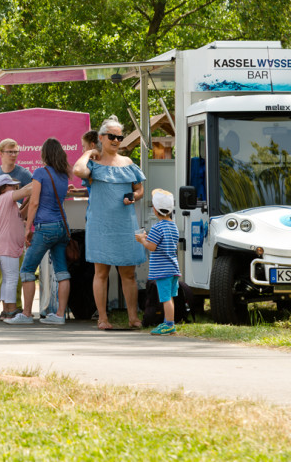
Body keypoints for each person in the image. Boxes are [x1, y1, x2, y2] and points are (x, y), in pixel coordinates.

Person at [72, 115, 147, 330]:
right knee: (101, 273)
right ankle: (103, 318)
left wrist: (133, 197)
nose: (116, 140)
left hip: (125, 225)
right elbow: (77, 170)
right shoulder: (93, 165)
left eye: (119, 137)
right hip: (101, 226)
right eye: (112, 136)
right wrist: (88, 152)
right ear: (101, 138)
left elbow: (139, 189)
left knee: (129, 274)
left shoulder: (128, 163)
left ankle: (133, 318)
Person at [12, 138, 73, 326]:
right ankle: (60, 314)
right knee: (62, 272)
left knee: (27, 270)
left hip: (44, 227)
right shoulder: (64, 174)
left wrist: (28, 228)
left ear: (44, 154)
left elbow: (35, 202)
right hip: (62, 227)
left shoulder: (40, 172)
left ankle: (27, 314)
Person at [137, 189, 180, 335]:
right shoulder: (173, 226)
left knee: (165, 298)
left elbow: (152, 247)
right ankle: (170, 322)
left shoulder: (157, 227)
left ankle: (168, 324)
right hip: (173, 268)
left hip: (163, 271)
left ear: (155, 210)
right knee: (170, 297)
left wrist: (143, 240)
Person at [0, 174, 30, 324]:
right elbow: (27, 190)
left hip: (6, 245)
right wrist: (38, 183)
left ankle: (6, 310)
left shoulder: (9, 202)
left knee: (8, 279)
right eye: (10, 185)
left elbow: (22, 215)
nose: (14, 187)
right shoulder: (7, 196)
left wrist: (31, 199)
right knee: (12, 278)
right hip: (7, 245)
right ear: (3, 188)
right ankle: (11, 309)